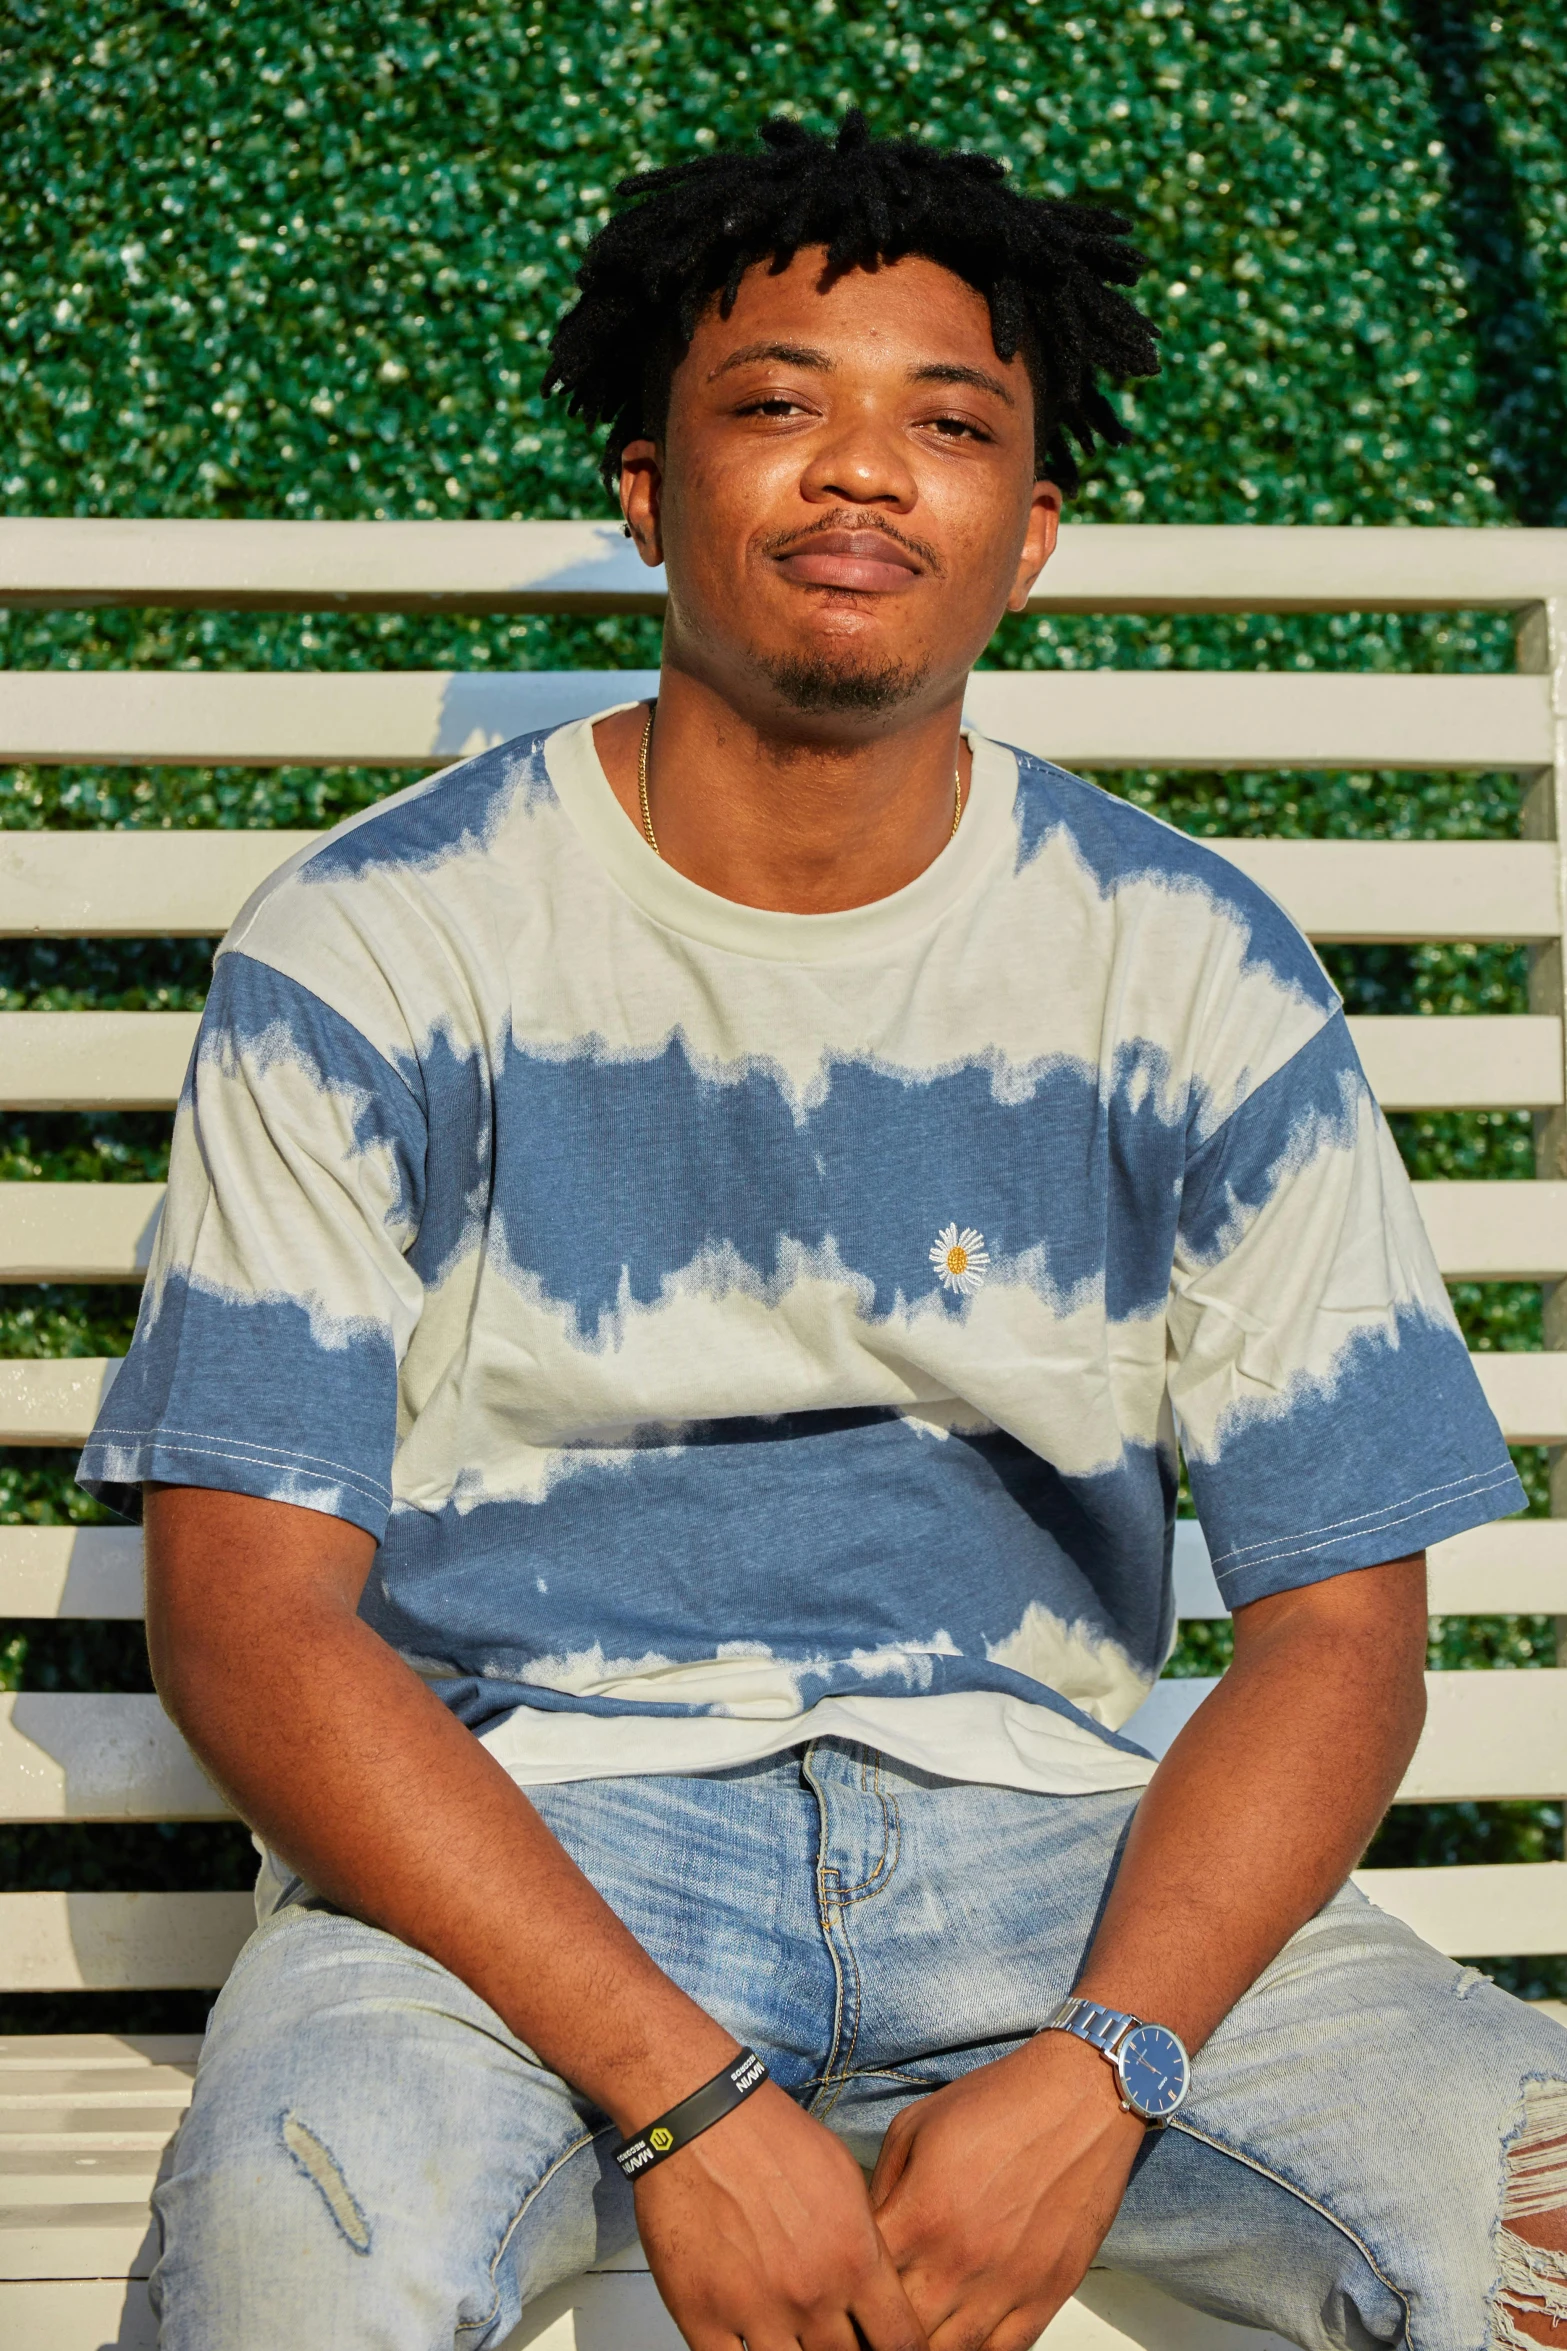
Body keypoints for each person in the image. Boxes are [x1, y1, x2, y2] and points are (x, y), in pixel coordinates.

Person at [81, 114, 1567, 2351]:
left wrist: (1108, 2061)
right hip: (526, 1871)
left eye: (948, 425)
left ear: (1032, 529)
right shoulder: (378, 946)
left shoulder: (1188, 966)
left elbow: (1344, 1624)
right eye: (777, 404)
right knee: (297, 2278)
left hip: (1070, 1865)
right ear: (648, 492)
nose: (862, 473)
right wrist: (680, 2092)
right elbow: (253, 1615)